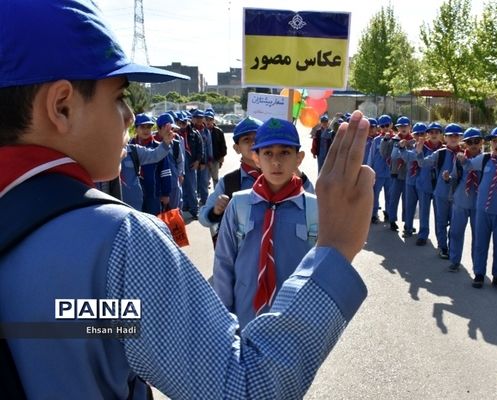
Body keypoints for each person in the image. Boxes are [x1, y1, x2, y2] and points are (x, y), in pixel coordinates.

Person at [0, 1, 373, 398]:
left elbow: (74, 324)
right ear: (61, 107)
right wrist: (334, 249)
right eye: (119, 97)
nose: (128, 116)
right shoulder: (117, 243)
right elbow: (246, 388)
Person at [212, 118, 318, 328]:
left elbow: (321, 272)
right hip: (245, 319)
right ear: (256, 158)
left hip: (295, 324)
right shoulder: (239, 204)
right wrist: (223, 322)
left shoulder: (313, 209)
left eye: (285, 153)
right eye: (268, 153)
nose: (276, 162)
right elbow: (223, 264)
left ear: (299, 158)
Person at [199, 117, 314, 247]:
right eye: (246, 140)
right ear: (237, 148)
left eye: (257, 138)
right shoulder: (229, 182)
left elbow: (312, 204)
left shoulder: (285, 176)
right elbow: (203, 218)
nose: (253, 143)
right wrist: (216, 211)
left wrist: (295, 170)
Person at [457, 126, 497, 291]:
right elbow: (469, 166)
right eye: (494, 141)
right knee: (480, 243)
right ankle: (479, 274)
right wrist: (463, 160)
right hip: (483, 210)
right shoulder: (484, 159)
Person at [417, 123, 463, 257]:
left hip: (458, 195)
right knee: (441, 221)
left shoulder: (464, 154)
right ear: (445, 138)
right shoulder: (440, 153)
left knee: (454, 223)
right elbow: (423, 163)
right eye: (450, 136)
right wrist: (419, 152)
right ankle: (443, 246)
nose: (453, 138)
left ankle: (453, 247)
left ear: (460, 137)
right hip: (441, 192)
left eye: (456, 136)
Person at [447, 128, 483, 272]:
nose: (473, 144)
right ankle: (455, 260)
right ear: (465, 144)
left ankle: (478, 266)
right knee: (456, 232)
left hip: (478, 203)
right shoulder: (459, 158)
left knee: (478, 236)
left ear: (481, 143)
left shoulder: (486, 159)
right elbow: (454, 177)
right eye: (469, 142)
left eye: (476, 141)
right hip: (461, 200)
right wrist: (447, 178)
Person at [120, 114, 174, 211]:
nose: (146, 130)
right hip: (132, 196)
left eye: (149, 127)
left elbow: (165, 172)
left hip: (153, 193)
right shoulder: (131, 145)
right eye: (142, 127)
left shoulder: (157, 146)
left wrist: (165, 193)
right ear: (136, 129)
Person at [393, 122, 427, 238]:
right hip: (410, 179)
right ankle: (408, 228)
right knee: (409, 205)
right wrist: (401, 148)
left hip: (423, 182)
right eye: (417, 134)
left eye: (422, 133)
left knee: (423, 209)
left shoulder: (428, 149)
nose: (419, 136)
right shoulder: (411, 146)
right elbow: (407, 156)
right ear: (413, 134)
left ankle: (423, 233)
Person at [413, 122, 444, 246]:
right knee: (424, 211)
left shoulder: (444, 148)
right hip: (424, 183)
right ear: (428, 134)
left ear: (441, 134)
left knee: (439, 214)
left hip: (439, 185)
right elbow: (418, 162)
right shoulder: (422, 146)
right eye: (431, 132)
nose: (434, 134)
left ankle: (440, 239)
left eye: (437, 132)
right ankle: (423, 235)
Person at [381, 116, 412, 231]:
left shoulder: (413, 140)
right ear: (397, 128)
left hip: (409, 174)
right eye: (400, 126)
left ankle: (407, 222)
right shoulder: (393, 139)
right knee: (393, 198)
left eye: (405, 126)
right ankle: (392, 220)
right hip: (395, 173)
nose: (403, 128)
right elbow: (384, 154)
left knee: (408, 201)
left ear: (410, 127)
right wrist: (385, 140)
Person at [368, 115, 393, 223]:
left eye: (387, 125)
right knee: (375, 194)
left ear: (391, 125)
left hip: (390, 173)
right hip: (378, 173)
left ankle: (388, 213)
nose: (385, 128)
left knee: (390, 195)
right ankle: (373, 214)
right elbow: (371, 156)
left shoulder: (395, 139)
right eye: (382, 126)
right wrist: (370, 171)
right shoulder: (376, 140)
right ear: (379, 127)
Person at [205, 109, 227, 187]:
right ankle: (204, 197)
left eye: (210, 119)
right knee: (204, 180)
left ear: (213, 120)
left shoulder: (218, 131)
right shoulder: (201, 131)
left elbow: (223, 146)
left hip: (215, 159)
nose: (208, 121)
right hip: (204, 160)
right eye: (206, 119)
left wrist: (222, 157)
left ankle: (216, 195)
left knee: (215, 178)